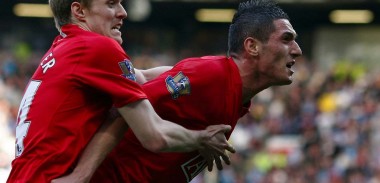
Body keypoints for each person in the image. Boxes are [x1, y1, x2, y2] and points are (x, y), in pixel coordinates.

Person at [52, 0, 302, 182]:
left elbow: (150, 79)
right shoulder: (211, 76)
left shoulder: (235, 96)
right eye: (286, 38)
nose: (297, 50)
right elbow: (122, 108)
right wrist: (81, 175)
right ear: (252, 46)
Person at [6, 0, 236, 182]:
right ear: (79, 11)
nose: (123, 12)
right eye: (111, 3)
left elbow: (143, 76)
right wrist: (203, 139)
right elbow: (155, 135)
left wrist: (210, 72)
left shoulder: (65, 48)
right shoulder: (97, 47)